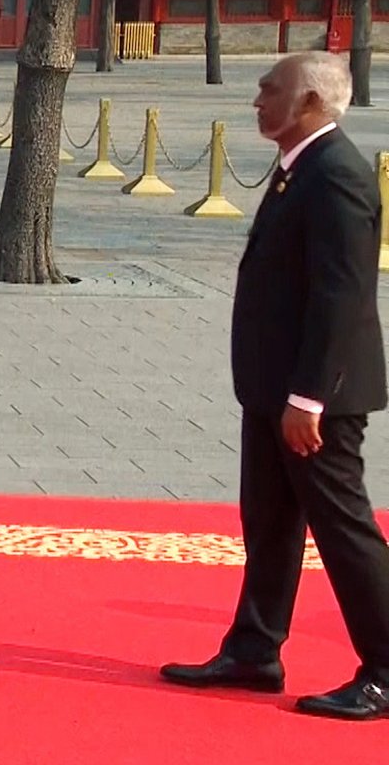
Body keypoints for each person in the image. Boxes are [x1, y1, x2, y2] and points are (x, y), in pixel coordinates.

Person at [161, 52, 389, 721]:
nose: (256, 99)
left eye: (271, 90)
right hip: (272, 389)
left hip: (310, 398)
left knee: (342, 529)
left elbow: (341, 296)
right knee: (268, 522)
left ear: (312, 103)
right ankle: (254, 648)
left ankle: (383, 665)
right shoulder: (301, 169)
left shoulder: (337, 174)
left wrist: (307, 397)